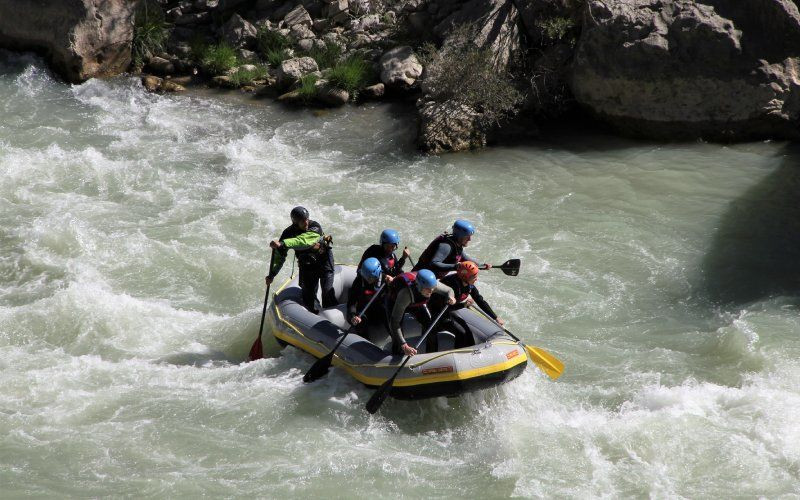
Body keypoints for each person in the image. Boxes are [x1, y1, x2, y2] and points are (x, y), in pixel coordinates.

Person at [264, 206, 335, 314]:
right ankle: (315, 316)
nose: (306, 222)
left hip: (323, 261)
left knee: (327, 291)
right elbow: (279, 257)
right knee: (308, 298)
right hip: (307, 265)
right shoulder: (287, 233)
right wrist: (272, 274)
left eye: (307, 218)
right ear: (295, 223)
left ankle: (332, 316)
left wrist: (283, 243)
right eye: (302, 220)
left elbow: (304, 241)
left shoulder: (315, 226)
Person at [427, 261, 505, 352]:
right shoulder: (451, 285)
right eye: (473, 276)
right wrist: (463, 305)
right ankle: (456, 355)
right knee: (462, 333)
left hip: (450, 309)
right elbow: (444, 307)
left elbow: (479, 300)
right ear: (465, 277)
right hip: (438, 311)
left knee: (468, 333)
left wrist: (495, 317)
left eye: (476, 275)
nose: (476, 279)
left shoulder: (469, 285)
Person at [387, 269, 455, 356]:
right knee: (398, 340)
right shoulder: (405, 294)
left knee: (431, 329)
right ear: (419, 286)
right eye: (428, 289)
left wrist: (451, 297)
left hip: (416, 304)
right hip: (395, 303)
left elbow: (449, 290)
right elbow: (394, 323)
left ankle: (430, 356)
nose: (431, 292)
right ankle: (396, 357)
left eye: (433, 288)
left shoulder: (432, 285)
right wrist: (404, 345)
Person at [412, 219, 490, 279]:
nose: (470, 239)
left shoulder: (457, 244)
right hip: (421, 278)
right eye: (467, 237)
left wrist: (481, 265)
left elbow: (464, 258)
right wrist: (455, 267)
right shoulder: (446, 246)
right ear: (460, 236)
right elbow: (434, 263)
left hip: (433, 277)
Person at [347, 257, 389, 339]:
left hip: (378, 310)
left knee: (387, 314)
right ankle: (364, 344)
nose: (367, 280)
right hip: (363, 311)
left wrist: (393, 282)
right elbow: (351, 302)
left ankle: (398, 344)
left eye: (370, 278)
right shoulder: (359, 281)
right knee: (360, 322)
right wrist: (353, 316)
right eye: (366, 276)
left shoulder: (385, 279)